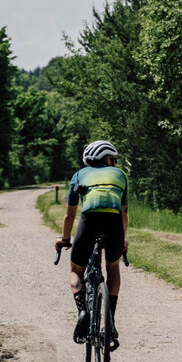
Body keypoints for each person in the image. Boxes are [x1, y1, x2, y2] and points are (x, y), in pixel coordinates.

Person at [57, 139, 128, 350]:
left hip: (89, 221)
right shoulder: (121, 175)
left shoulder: (78, 175)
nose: (114, 163)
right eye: (113, 159)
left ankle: (82, 311)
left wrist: (65, 239)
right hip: (114, 222)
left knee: (76, 271)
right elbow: (124, 213)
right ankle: (111, 322)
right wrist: (122, 240)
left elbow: (69, 215)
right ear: (106, 158)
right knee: (112, 267)